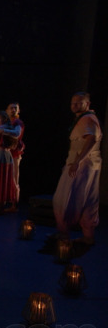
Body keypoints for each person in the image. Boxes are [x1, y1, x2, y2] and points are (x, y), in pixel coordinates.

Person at [53, 92, 102, 245]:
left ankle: (63, 235)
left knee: (63, 199)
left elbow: (91, 139)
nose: (74, 106)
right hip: (88, 164)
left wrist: (77, 162)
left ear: (87, 104)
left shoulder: (87, 119)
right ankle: (88, 237)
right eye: (72, 103)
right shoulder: (84, 119)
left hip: (82, 165)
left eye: (79, 103)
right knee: (88, 201)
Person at [4, 102, 25, 212]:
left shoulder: (18, 122)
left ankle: (14, 204)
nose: (13, 110)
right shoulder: (7, 122)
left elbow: (16, 134)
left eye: (15, 108)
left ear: (18, 111)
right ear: (7, 111)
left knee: (14, 177)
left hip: (15, 152)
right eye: (11, 108)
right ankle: (3, 202)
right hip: (7, 151)